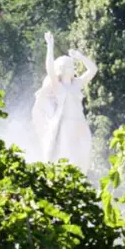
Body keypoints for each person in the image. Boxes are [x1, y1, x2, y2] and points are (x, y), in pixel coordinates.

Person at [32, 31, 97, 174]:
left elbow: (93, 69)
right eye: (68, 66)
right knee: (67, 158)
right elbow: (49, 69)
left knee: (85, 154)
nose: (72, 68)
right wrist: (50, 46)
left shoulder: (77, 84)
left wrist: (80, 57)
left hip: (80, 123)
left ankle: (81, 180)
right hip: (65, 125)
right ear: (61, 69)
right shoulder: (58, 86)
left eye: (73, 66)